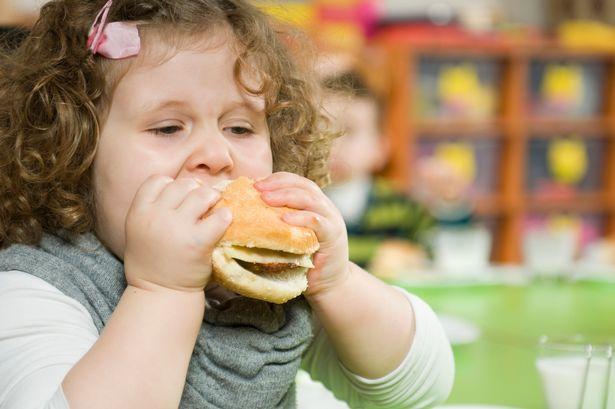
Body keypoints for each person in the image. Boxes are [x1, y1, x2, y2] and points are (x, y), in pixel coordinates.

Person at [0, 1, 454, 408]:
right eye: (168, 128)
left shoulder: (260, 279)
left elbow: (419, 388)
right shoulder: (35, 288)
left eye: (240, 128)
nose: (217, 156)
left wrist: (336, 282)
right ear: (74, 153)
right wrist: (163, 291)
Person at [321, 69, 472, 272]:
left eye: (349, 131)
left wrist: (450, 204)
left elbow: (442, 250)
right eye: (321, 130)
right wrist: (378, 253)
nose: (333, 145)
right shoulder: (304, 200)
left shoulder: (401, 205)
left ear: (381, 148)